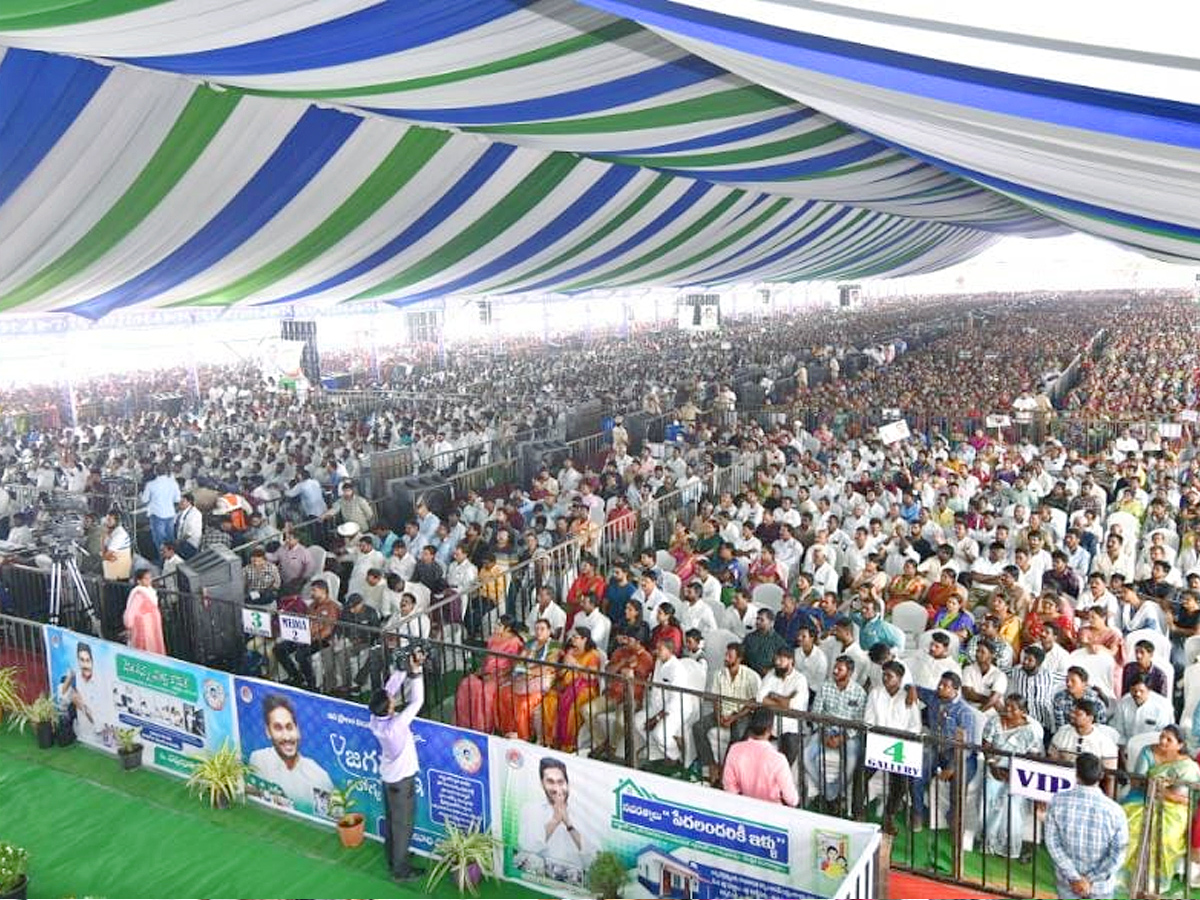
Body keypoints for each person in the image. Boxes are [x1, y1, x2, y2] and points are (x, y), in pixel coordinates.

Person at [368, 647, 427, 883]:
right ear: (390, 708)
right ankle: (400, 869)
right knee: (403, 824)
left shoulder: (376, 718)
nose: (393, 697)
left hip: (389, 779)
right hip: (401, 782)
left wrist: (403, 669)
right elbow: (417, 700)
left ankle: (394, 856)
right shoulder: (396, 727)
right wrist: (416, 672)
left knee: (393, 820)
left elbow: (388, 691)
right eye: (392, 701)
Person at [1121, 725, 1199, 895]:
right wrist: (1153, 787)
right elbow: (1136, 781)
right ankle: (1129, 876)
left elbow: (1190, 799)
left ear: (1180, 745)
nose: (1162, 741)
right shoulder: (1148, 752)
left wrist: (1166, 793)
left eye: (1169, 739)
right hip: (1143, 796)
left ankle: (1152, 881)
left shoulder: (1188, 767)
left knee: (1166, 833)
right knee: (1129, 824)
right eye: (1162, 736)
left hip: (1176, 806)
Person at [1044, 753, 1129, 900]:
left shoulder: (1057, 802)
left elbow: (1052, 844)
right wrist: (1090, 879)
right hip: (1101, 886)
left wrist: (1075, 877)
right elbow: (1118, 854)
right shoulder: (1115, 811)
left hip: (1068, 882)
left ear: (1076, 774)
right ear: (1101, 775)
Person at [248, 694, 335, 816]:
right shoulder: (258, 759)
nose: (286, 737)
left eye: (289, 727)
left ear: (297, 730)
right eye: (278, 728)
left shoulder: (320, 777)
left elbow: (328, 819)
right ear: (268, 732)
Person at [981, 694, 1044, 859]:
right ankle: (988, 843)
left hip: (1020, 774)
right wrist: (993, 765)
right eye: (1006, 705)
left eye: (1012, 708)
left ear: (1023, 711)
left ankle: (1008, 847)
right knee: (988, 803)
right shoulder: (994, 721)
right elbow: (986, 745)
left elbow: (1033, 756)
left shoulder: (1033, 729)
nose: (1007, 710)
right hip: (994, 767)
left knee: (1012, 808)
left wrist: (1013, 773)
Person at [516, 757, 593, 878]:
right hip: (542, 880)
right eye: (550, 782)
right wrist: (555, 821)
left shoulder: (583, 813)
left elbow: (593, 860)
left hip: (575, 884)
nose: (556, 788)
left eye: (560, 782)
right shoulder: (530, 810)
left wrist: (569, 824)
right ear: (542, 784)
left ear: (567, 783)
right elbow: (526, 849)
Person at [455, 615, 523, 733]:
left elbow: (514, 665)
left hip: (503, 675)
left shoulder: (515, 642)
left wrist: (496, 675)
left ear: (507, 628)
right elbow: (488, 659)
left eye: (499, 625)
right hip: (486, 672)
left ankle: (483, 728)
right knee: (466, 684)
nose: (495, 626)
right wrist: (481, 671)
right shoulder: (492, 638)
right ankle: (464, 724)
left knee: (485, 692)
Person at [497, 618, 562, 742]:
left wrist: (530, 672)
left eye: (542, 629)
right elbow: (521, 660)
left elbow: (548, 667)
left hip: (542, 679)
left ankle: (524, 736)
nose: (539, 632)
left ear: (549, 631)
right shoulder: (530, 643)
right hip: (524, 677)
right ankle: (509, 730)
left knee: (523, 704)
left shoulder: (554, 645)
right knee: (504, 694)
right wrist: (521, 670)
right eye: (537, 629)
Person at [541, 626, 603, 753]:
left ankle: (569, 745)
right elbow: (562, 673)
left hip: (585, 688)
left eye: (576, 637)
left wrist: (575, 665)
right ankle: (549, 740)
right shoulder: (570, 651)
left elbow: (591, 677)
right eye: (572, 637)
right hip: (566, 685)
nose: (572, 639)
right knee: (549, 701)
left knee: (571, 709)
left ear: (584, 639)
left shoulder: (593, 654)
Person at [722, 707, 799, 806]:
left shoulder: (735, 750)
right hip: (772, 812)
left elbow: (729, 787)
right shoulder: (778, 760)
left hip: (745, 807)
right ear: (770, 730)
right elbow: (792, 800)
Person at [57, 640, 113, 741]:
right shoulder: (76, 677)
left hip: (99, 740)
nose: (85, 665)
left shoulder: (101, 683)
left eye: (87, 660)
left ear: (92, 661)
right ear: (77, 661)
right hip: (80, 734)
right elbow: (61, 702)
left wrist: (81, 706)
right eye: (82, 660)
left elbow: (99, 725)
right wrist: (69, 677)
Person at [122, 568, 165, 655]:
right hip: (144, 627)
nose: (149, 580)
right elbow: (131, 612)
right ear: (139, 581)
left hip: (152, 626)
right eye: (146, 579)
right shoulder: (139, 594)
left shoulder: (150, 591)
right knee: (145, 649)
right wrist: (129, 626)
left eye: (150, 578)